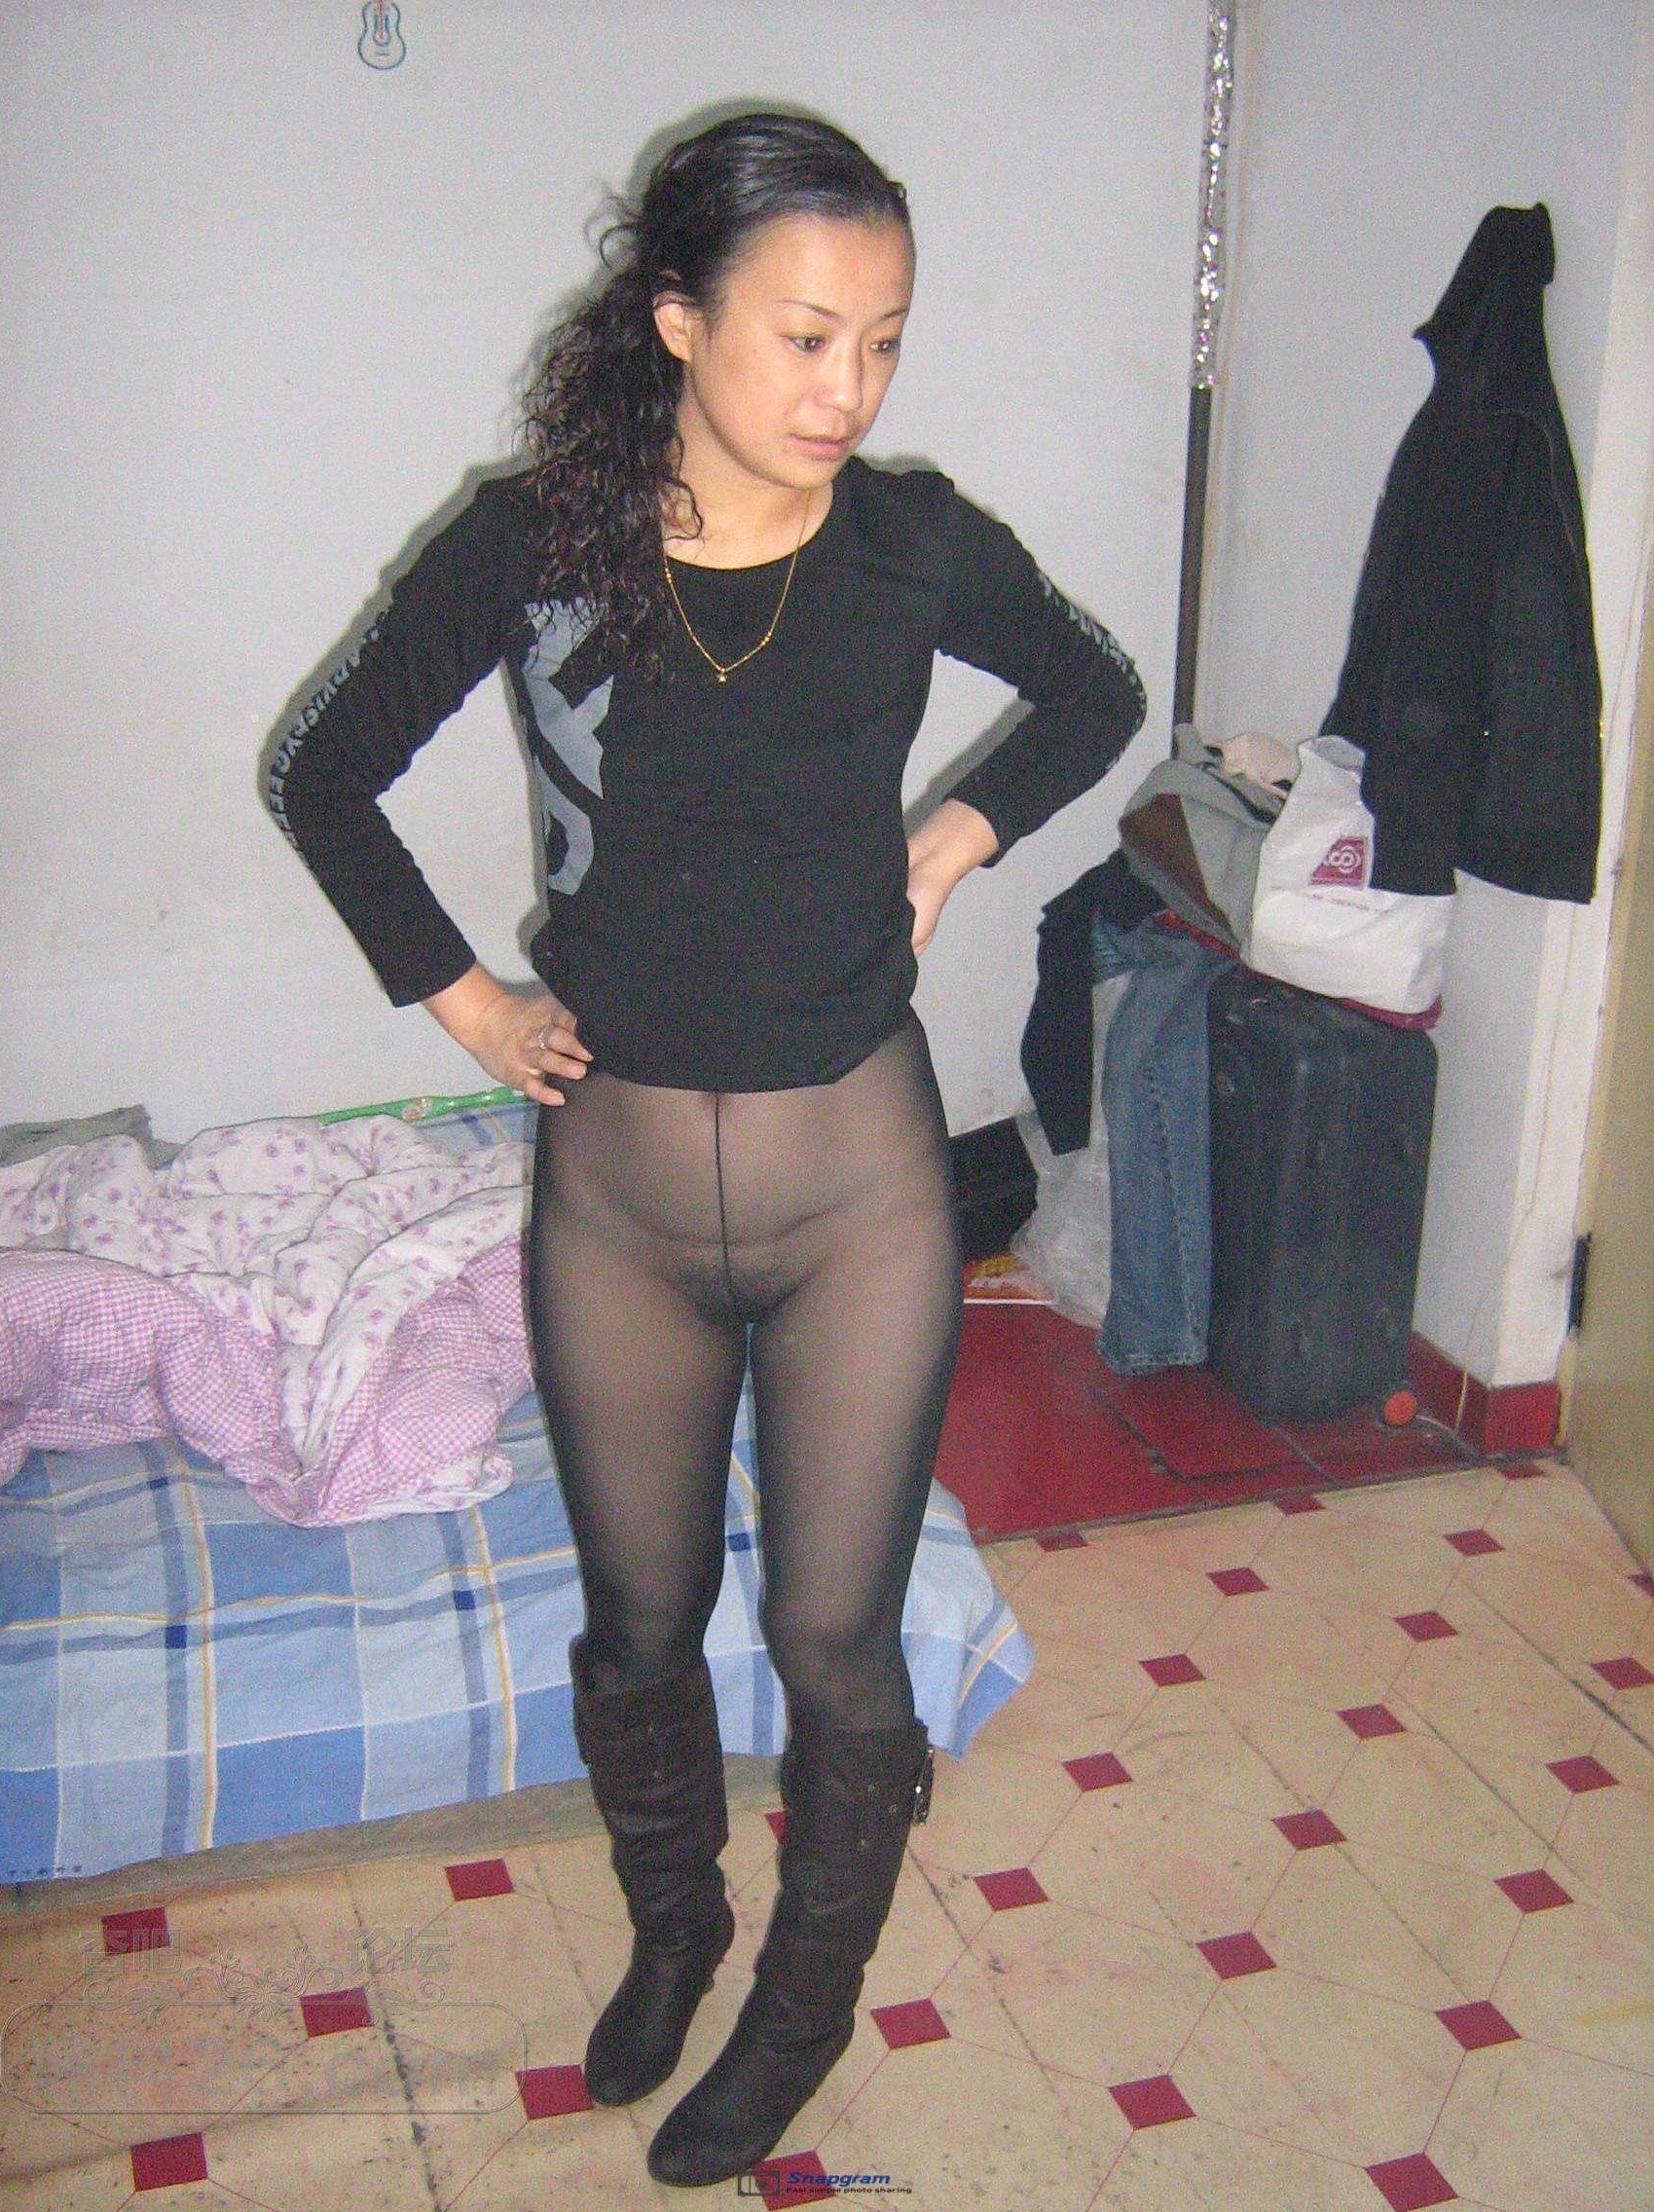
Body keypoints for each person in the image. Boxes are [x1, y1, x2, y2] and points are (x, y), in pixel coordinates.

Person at [268, 109, 1145, 2191]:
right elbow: (323, 768)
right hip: (622, 1207)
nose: (849, 391)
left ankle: (803, 2004)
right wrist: (468, 1004)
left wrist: (961, 827)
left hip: (861, 1193)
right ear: (677, 319)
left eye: (886, 343)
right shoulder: (537, 544)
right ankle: (678, 1929)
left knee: (838, 1637)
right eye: (805, 338)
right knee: (640, 1626)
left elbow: (1095, 689)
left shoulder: (914, 541)